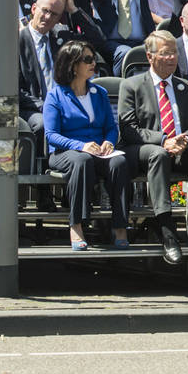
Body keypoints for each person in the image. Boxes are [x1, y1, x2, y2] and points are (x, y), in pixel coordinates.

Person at [43, 40, 132, 251]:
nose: (94, 63)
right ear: (73, 65)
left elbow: (111, 126)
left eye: (94, 59)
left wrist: (109, 142)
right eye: (87, 60)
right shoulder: (55, 95)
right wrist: (80, 145)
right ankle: (77, 225)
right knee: (82, 161)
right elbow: (51, 135)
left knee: (119, 162)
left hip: (98, 151)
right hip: (67, 152)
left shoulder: (99, 93)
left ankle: (120, 226)